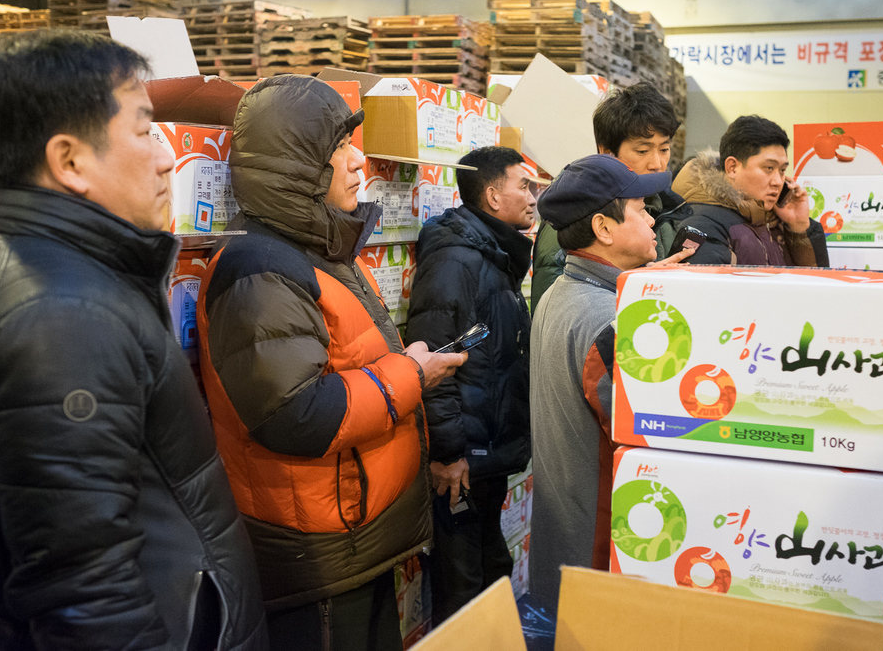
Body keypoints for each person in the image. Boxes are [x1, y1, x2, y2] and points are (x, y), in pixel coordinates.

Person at [0, 31, 267, 649]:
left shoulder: (53, 272)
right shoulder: (63, 315)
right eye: (143, 131)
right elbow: (84, 588)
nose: (165, 158)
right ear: (70, 161)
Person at [197, 75, 466, 650]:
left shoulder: (320, 251)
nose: (356, 161)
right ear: (294, 168)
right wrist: (412, 374)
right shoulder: (258, 268)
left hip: (351, 537)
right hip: (314, 554)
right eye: (336, 150)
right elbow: (297, 415)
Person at [527, 154, 693, 607]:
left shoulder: (564, 292)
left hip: (563, 542)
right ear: (603, 228)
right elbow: (649, 436)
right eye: (641, 208)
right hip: (602, 550)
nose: (654, 217)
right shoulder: (609, 321)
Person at [405, 146, 535, 623]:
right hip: (463, 459)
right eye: (524, 185)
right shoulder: (456, 261)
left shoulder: (493, 255)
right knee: (462, 587)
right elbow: (435, 360)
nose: (533, 196)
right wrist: (449, 451)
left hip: (487, 452)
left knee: (491, 570)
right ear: (492, 194)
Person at [530, 82, 689, 310]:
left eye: (664, 149)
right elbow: (560, 308)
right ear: (607, 151)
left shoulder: (667, 207)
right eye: (642, 151)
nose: (657, 163)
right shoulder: (573, 210)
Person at [672, 115, 830, 267]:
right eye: (769, 168)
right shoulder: (702, 225)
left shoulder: (780, 220)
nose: (777, 181)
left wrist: (799, 229)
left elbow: (819, 286)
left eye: (782, 170)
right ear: (732, 168)